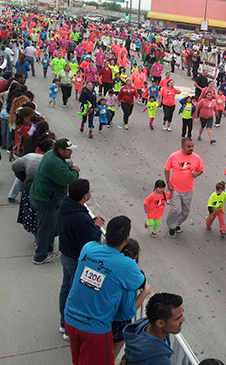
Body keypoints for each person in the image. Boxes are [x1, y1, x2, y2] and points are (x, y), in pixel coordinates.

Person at [64, 216, 147, 365]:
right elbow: (141, 282)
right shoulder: (126, 265)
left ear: (106, 234)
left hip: (70, 317)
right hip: (94, 328)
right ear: (127, 239)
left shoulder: (88, 248)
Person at [57, 179, 104, 341]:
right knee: (74, 293)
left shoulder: (66, 205)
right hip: (76, 259)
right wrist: (96, 226)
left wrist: (90, 223)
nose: (90, 193)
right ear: (85, 196)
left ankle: (64, 323)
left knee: (66, 288)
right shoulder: (79, 217)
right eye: (89, 191)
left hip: (65, 253)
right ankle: (69, 327)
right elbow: (90, 241)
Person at [30, 139, 80, 265]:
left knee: (48, 227)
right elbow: (68, 178)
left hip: (43, 197)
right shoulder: (54, 162)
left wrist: (69, 167)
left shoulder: (50, 155)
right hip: (46, 201)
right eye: (68, 150)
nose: (71, 152)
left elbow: (64, 166)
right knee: (45, 229)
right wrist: (74, 171)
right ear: (60, 150)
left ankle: (48, 249)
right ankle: (40, 257)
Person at [123, 292, 185, 365]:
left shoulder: (144, 325)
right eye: (177, 318)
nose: (183, 320)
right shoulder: (159, 361)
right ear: (160, 323)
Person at [164, 138, 204, 239]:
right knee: (176, 209)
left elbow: (201, 170)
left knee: (185, 212)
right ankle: (172, 227)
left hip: (188, 190)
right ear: (182, 147)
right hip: (175, 189)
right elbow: (167, 169)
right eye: (188, 146)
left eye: (192, 146)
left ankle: (177, 223)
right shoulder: (174, 156)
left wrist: (196, 174)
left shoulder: (196, 158)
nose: (191, 148)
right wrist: (168, 183)